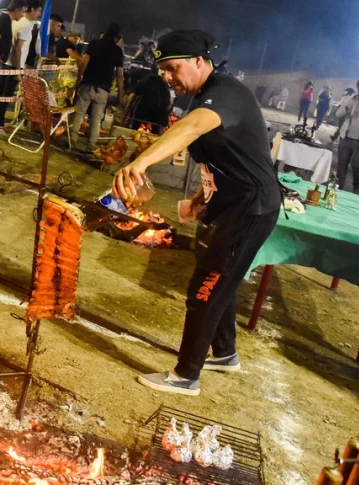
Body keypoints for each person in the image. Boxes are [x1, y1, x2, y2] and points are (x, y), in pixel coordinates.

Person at [112, 30, 281, 396]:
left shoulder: (225, 95)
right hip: (230, 204)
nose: (169, 79)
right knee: (223, 276)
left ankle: (186, 375)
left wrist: (140, 163)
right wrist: (200, 200)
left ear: (199, 61)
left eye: (174, 69)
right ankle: (224, 352)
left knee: (205, 287)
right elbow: (219, 162)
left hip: (250, 209)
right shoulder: (203, 96)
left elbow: (191, 130)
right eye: (164, 72)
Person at [0, 0, 42, 131]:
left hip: (6, 63)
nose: (39, 14)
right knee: (4, 97)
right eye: (39, 10)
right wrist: (18, 70)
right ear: (32, 9)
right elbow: (18, 48)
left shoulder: (14, 22)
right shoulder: (25, 25)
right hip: (13, 65)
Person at [69, 22, 124, 149]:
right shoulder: (117, 51)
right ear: (117, 37)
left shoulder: (94, 43)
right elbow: (120, 75)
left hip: (88, 84)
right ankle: (92, 144)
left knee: (79, 114)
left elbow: (84, 62)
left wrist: (78, 79)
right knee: (96, 118)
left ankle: (72, 139)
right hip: (103, 90)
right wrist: (120, 93)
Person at [0, 0, 26, 130]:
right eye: (23, 11)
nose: (23, 15)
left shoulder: (6, 20)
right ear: (17, 10)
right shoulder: (4, 19)